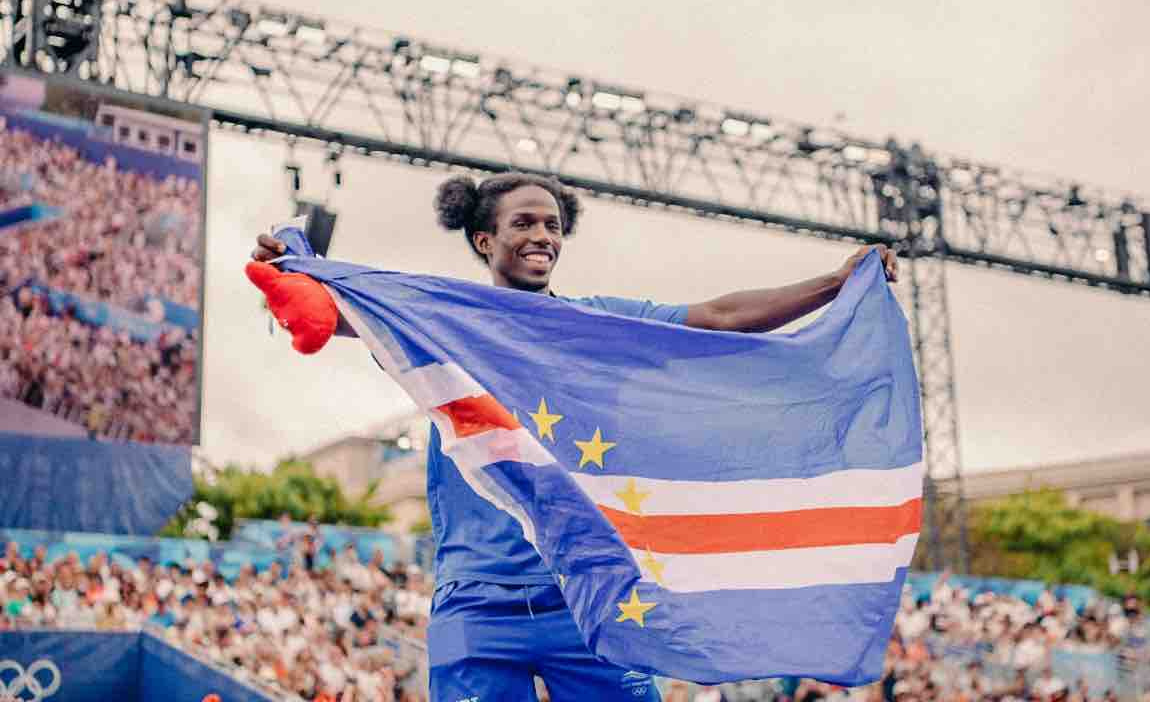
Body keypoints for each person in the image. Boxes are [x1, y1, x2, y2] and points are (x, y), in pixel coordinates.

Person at [251, 172, 898, 702]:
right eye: (523, 224)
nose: (541, 236)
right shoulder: (442, 322)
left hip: (590, 601)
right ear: (484, 239)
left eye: (552, 225)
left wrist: (836, 283)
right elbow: (343, 312)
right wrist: (293, 272)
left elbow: (722, 317)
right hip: (475, 607)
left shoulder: (600, 326)